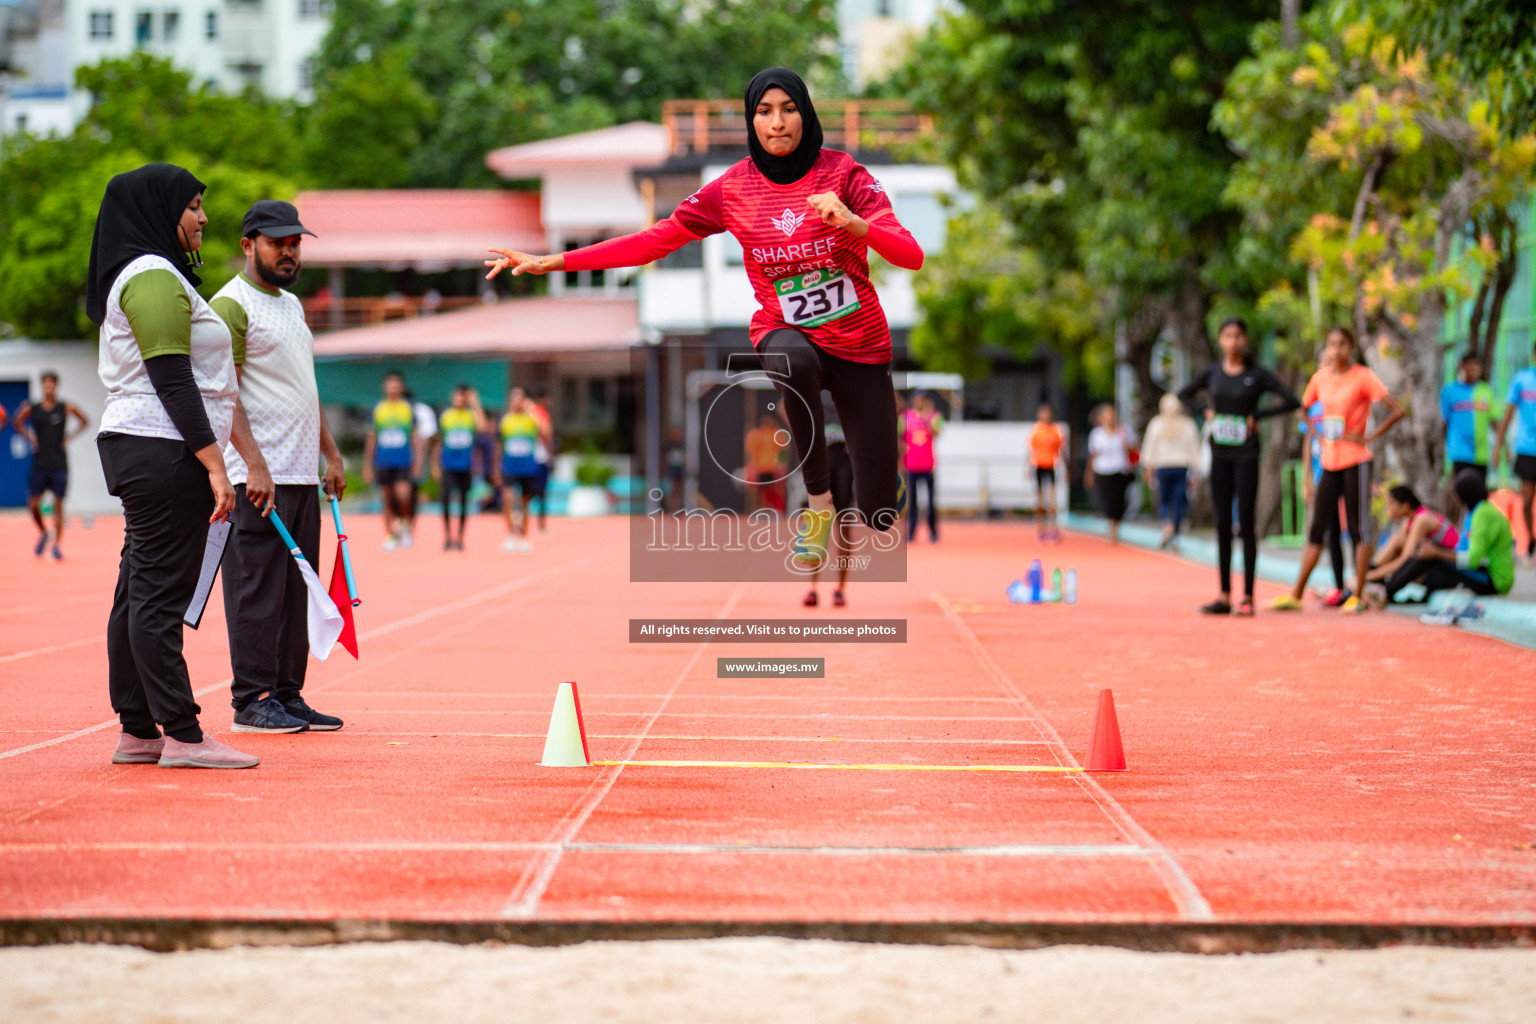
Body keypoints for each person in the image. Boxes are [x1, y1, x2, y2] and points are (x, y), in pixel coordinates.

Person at [486, 67, 923, 570]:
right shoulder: (733, 189)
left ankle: (880, 486)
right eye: (764, 112)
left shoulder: (844, 175)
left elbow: (910, 255)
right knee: (791, 359)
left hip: (859, 343)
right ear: (751, 121)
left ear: (806, 114)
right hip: (787, 331)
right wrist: (555, 261)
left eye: (789, 109)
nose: (777, 123)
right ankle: (819, 503)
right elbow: (653, 241)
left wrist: (852, 221)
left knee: (879, 517)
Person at [88, 162, 267, 769]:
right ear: (162, 210)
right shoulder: (152, 275)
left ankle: (138, 730)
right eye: (193, 206)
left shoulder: (155, 275)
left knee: (136, 591)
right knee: (158, 597)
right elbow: (172, 377)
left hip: (148, 446)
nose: (204, 217)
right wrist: (217, 466)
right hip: (162, 449)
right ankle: (184, 735)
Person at [211, 199, 346, 734]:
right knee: (257, 590)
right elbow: (224, 393)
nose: (289, 251)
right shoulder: (230, 306)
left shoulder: (291, 306)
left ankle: (288, 695)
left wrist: (330, 453)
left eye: (295, 243)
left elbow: (304, 389)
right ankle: (252, 700)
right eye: (277, 243)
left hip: (299, 474)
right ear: (248, 245)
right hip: (256, 480)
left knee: (296, 591)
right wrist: (254, 464)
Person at [1270, 326, 1405, 613]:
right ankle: (1295, 593)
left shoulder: (1363, 377)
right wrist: (1318, 436)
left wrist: (1369, 436)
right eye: (1332, 344)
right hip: (1329, 461)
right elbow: (1302, 408)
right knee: (1318, 527)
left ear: (1352, 347)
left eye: (1342, 344)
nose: (1336, 350)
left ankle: (1356, 594)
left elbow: (1397, 410)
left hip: (1356, 459)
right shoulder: (1320, 378)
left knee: (1359, 528)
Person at [1178, 318, 1301, 616]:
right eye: (1227, 336)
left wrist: (1256, 416)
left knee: (1245, 523)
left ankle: (1247, 596)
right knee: (1222, 523)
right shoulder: (1212, 373)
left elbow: (1291, 400)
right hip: (1220, 453)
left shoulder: (1256, 374)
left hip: (1246, 454)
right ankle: (1223, 595)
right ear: (1220, 340)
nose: (1233, 341)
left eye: (1238, 336)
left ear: (1245, 340)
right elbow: (1183, 394)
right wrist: (1205, 411)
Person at [1370, 470, 1513, 605]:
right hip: (1480, 570)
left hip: (1494, 579)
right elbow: (1462, 549)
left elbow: (1473, 559)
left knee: (1428, 555)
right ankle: (1386, 588)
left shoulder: (1483, 514)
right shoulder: (1473, 513)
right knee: (1428, 557)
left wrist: (1437, 553)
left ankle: (1385, 591)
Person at [13, 372, 90, 560]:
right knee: (33, 504)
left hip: (58, 463)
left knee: (58, 505)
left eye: (51, 384)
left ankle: (56, 546)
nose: (48, 387)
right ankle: (44, 532)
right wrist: (31, 437)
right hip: (40, 463)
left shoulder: (64, 407)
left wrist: (68, 437)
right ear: (42, 386)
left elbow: (84, 421)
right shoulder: (33, 408)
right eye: (45, 384)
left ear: (56, 386)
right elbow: (17, 421)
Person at [1362, 485, 1460, 607]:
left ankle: (1382, 589)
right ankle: (1370, 573)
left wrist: (1370, 577)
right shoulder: (1409, 520)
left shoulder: (1422, 519)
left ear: (1406, 506)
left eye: (1391, 504)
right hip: (1437, 566)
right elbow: (1397, 546)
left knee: (1417, 556)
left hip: (1453, 569)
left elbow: (1405, 559)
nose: (1388, 509)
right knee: (1398, 540)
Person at [1300, 388, 1351, 607]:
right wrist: (1307, 479)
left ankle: (1353, 587)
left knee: (1352, 530)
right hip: (1322, 474)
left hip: (1344, 469)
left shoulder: (1345, 399)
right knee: (1328, 532)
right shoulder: (1313, 407)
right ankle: (1339, 586)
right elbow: (1308, 439)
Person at [803, 391, 854, 607]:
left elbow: (892, 402)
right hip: (821, 458)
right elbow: (784, 403)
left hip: (846, 458)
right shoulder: (814, 379)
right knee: (817, 523)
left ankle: (840, 589)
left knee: (844, 525)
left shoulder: (850, 377)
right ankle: (812, 587)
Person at [363, 371, 421, 552]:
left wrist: (418, 461)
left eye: (397, 384)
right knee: (387, 498)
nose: (394, 387)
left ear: (401, 386)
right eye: (390, 383)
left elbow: (415, 437)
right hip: (383, 461)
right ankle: (390, 534)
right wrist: (368, 465)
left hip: (403, 461)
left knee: (403, 495)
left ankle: (404, 524)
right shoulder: (378, 409)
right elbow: (372, 439)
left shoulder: (408, 409)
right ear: (385, 386)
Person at [1139, 392, 1201, 550]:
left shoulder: (1156, 424)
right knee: (1179, 501)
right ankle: (1175, 533)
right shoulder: (1187, 424)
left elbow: (1149, 447)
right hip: (1181, 467)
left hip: (1162, 467)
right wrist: (1196, 471)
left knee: (1164, 499)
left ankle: (1167, 524)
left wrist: (1148, 468)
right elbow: (1194, 449)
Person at [1492, 339, 1536, 560]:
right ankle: (1530, 541)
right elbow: (1508, 414)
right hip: (1527, 448)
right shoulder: (1522, 379)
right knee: (1527, 499)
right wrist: (1500, 446)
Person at [496, 385, 552, 553]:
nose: (515, 401)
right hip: (510, 466)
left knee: (524, 504)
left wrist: (533, 410)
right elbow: (499, 445)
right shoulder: (505, 420)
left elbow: (546, 433)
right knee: (507, 499)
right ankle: (510, 534)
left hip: (527, 467)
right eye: (513, 397)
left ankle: (525, 536)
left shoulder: (531, 418)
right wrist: (496, 467)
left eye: (519, 398)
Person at [434, 384, 486, 551]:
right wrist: (435, 464)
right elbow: (439, 442)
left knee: (464, 500)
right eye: (456, 396)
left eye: (462, 396)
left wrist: (476, 403)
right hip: (448, 465)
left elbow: (484, 428)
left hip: (465, 466)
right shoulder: (446, 415)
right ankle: (448, 536)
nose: (458, 399)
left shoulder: (471, 415)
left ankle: (461, 537)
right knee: (446, 499)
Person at [1441, 352, 1497, 483]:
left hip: (1481, 453)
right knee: (1462, 488)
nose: (1472, 371)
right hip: (1459, 451)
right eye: (1469, 367)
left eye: (1475, 367)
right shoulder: (1449, 391)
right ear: (1462, 367)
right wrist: (1445, 449)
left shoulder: (1486, 390)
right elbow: (1445, 422)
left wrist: (1501, 447)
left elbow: (1493, 421)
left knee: (1479, 490)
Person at [1084, 405, 1136, 545]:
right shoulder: (1097, 434)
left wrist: (1127, 445)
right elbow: (1093, 454)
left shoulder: (1124, 431)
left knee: (1119, 501)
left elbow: (1133, 448)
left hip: (1120, 470)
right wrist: (1089, 474)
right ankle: (1111, 527)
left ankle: (1115, 527)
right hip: (1102, 471)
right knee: (1107, 501)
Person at [903, 392, 942, 543]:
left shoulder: (934, 416)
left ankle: (933, 531)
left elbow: (937, 433)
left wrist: (925, 419)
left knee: (931, 501)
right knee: (912, 501)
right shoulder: (906, 416)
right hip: (911, 465)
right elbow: (900, 436)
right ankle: (911, 532)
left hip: (928, 465)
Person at [1029, 404, 1065, 543]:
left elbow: (1061, 451)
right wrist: (1028, 468)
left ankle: (1053, 528)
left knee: (1052, 499)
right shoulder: (1037, 431)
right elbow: (1032, 451)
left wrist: (1065, 468)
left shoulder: (1056, 431)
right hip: (1039, 465)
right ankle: (1040, 528)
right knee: (1039, 499)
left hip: (1052, 465)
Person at [744, 411, 789, 513]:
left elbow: (783, 450)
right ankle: (760, 510)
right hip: (759, 468)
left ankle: (776, 510)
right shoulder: (755, 435)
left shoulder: (778, 434)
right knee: (759, 492)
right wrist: (750, 467)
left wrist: (781, 465)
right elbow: (750, 452)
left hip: (773, 468)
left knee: (775, 490)